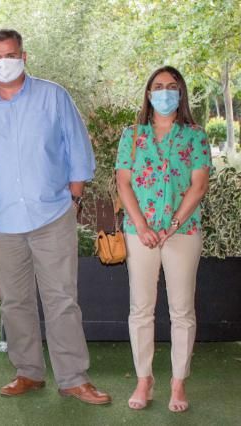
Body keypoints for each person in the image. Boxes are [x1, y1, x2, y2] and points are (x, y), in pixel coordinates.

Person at [0, 29, 111, 405]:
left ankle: (73, 378)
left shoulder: (54, 96)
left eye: (9, 55)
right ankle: (28, 372)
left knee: (62, 299)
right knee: (15, 302)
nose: (2, 62)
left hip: (52, 216)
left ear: (24, 57)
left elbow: (78, 149)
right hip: (1, 221)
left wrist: (73, 200)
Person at [115, 66, 212, 412]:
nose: (165, 92)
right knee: (140, 309)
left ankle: (177, 382)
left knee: (181, 310)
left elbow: (198, 185)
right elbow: (123, 182)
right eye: (158, 86)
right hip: (139, 233)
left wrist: (170, 225)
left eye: (172, 86)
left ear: (181, 93)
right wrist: (141, 226)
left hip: (181, 232)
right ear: (148, 93)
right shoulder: (132, 135)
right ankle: (144, 378)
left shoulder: (195, 136)